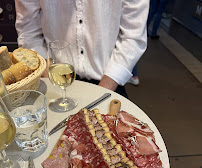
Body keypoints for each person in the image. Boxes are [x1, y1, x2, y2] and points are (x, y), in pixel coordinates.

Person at [14, 0, 149, 98]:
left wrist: (102, 92)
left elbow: (132, 37)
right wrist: (49, 76)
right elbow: (28, 30)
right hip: (52, 78)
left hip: (108, 81)